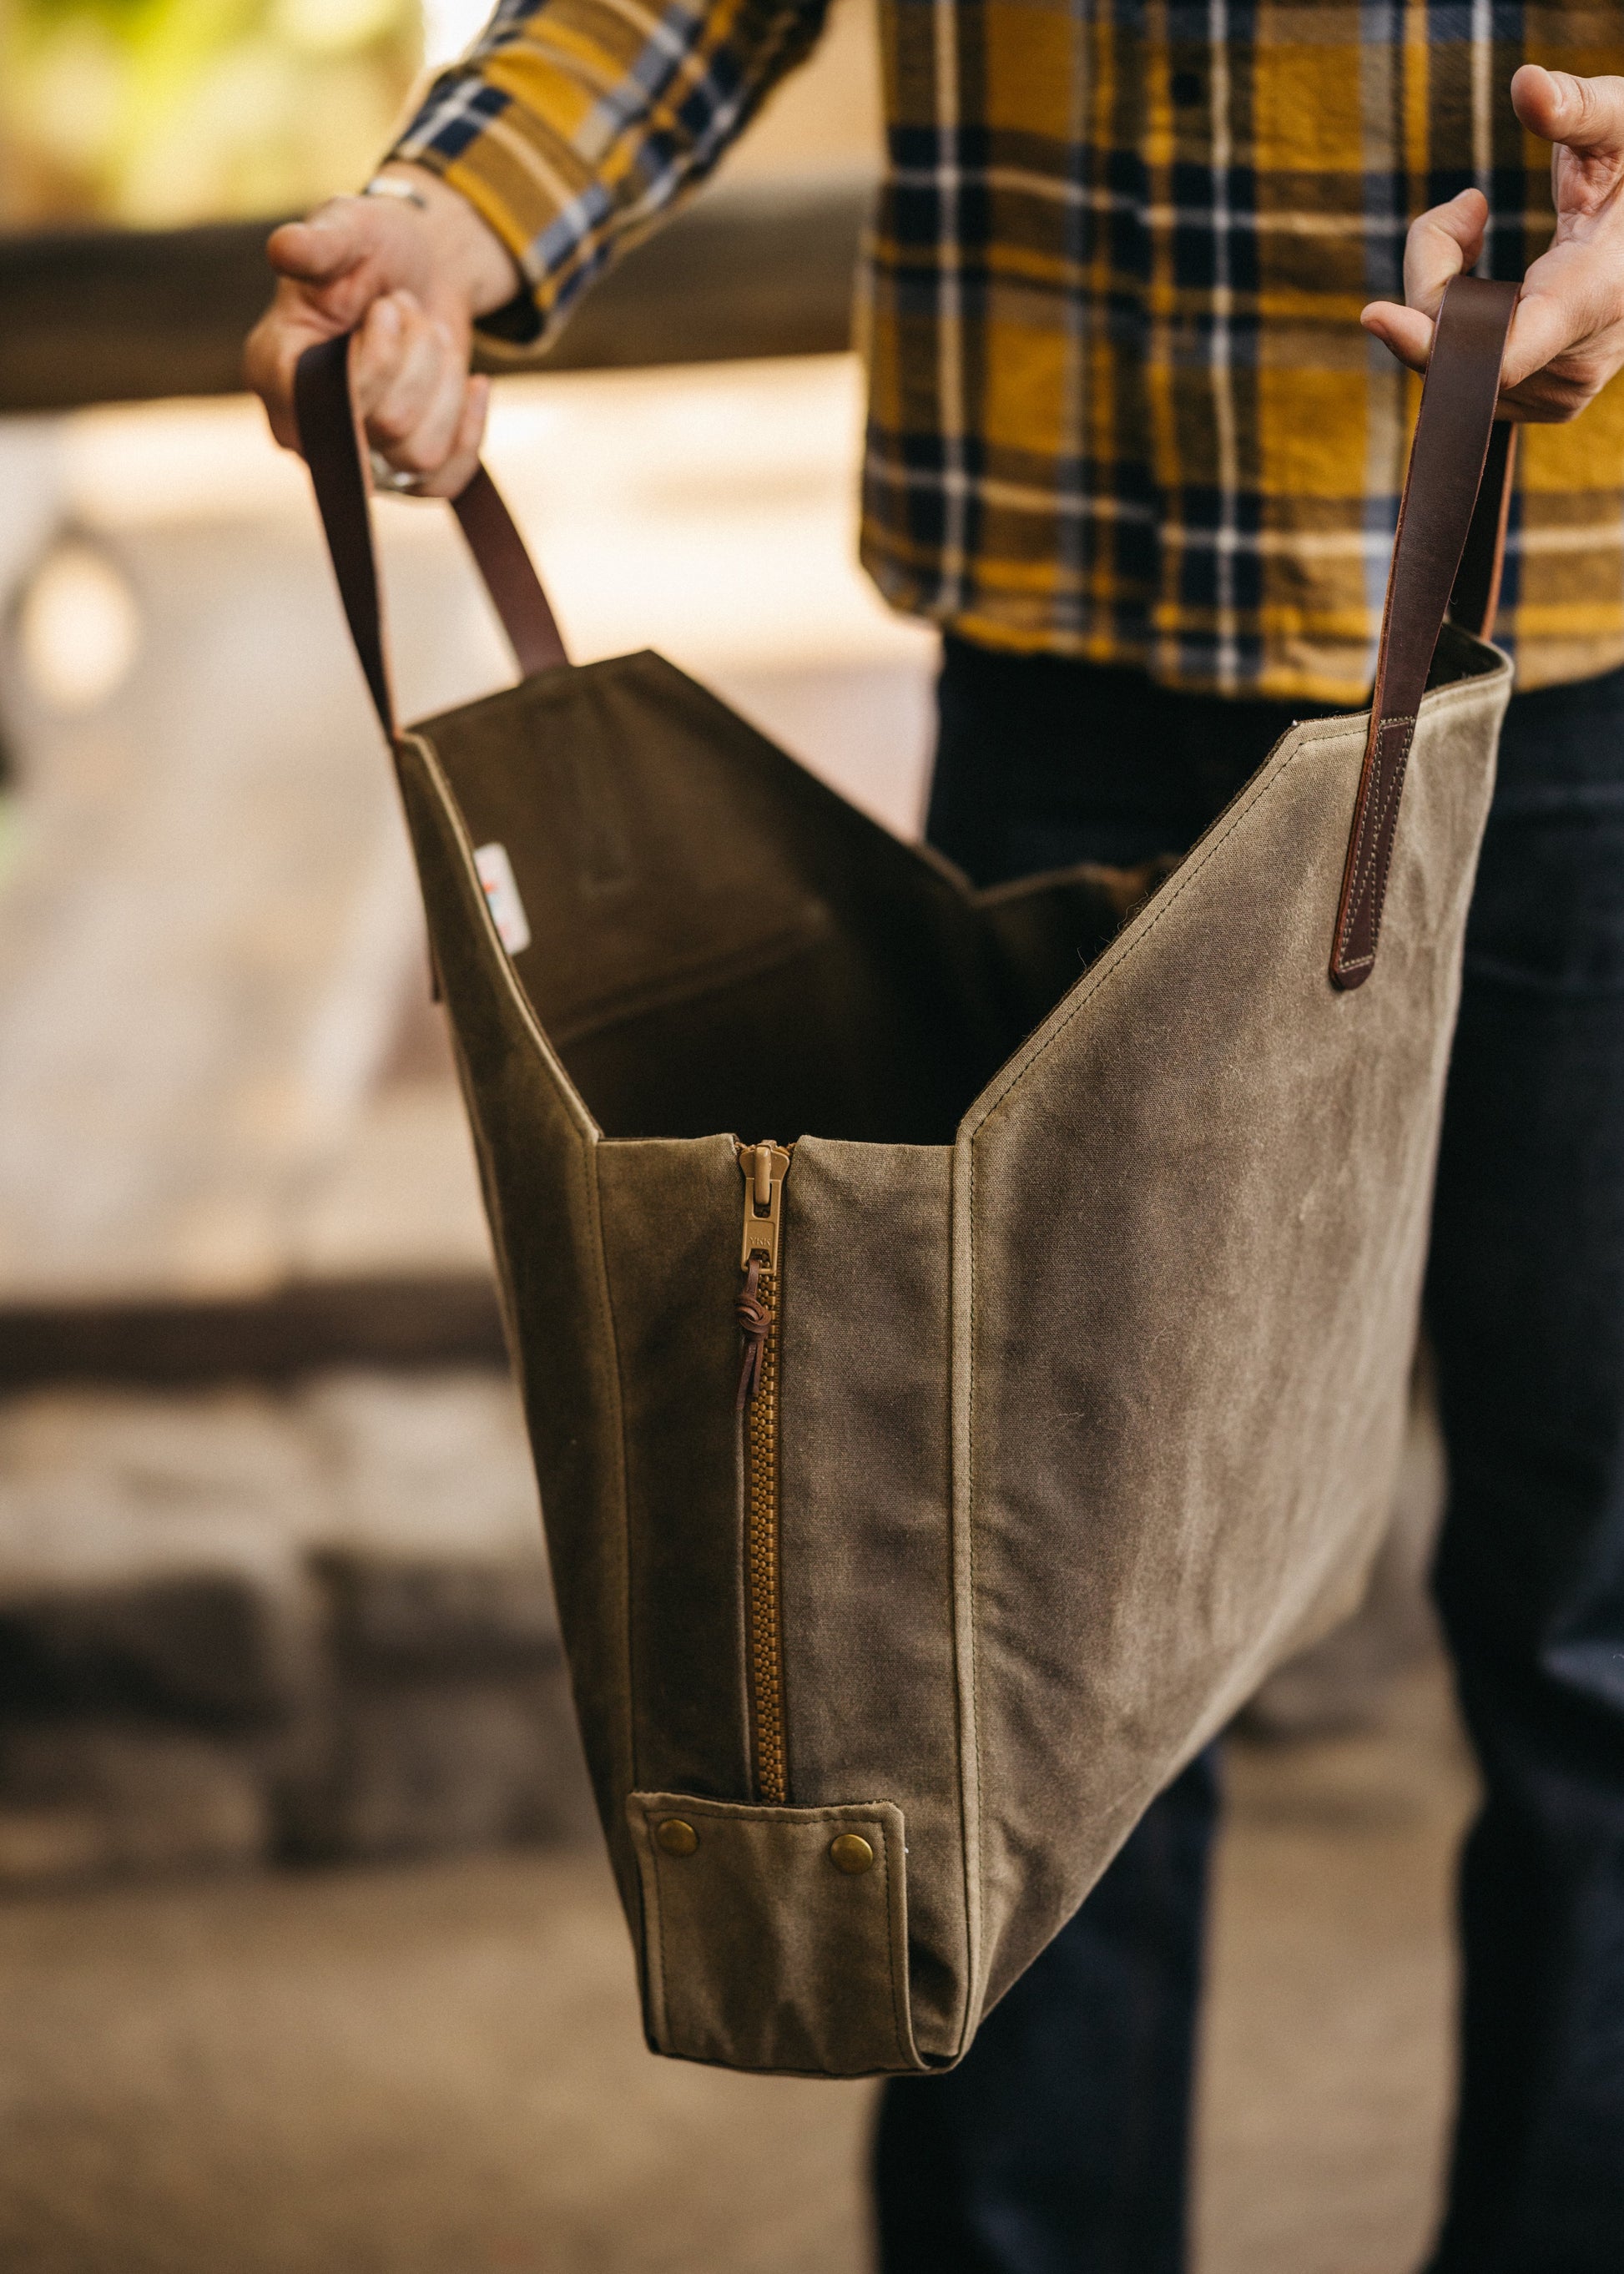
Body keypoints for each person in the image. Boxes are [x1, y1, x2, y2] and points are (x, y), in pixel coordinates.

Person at [248, 14, 1624, 2270]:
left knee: (1595, 1639)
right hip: (1074, 637)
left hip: (1581, 650)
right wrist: (458, 211)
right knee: (997, 1676)